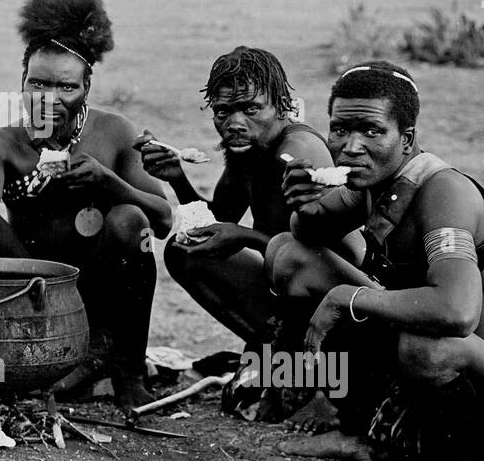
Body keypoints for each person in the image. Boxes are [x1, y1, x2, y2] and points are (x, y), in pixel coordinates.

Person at [265, 60, 484, 461]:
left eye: (372, 131)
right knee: (289, 256)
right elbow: (307, 234)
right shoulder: (371, 183)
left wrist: (348, 297)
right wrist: (303, 200)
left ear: (407, 139)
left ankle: (450, 459)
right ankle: (358, 427)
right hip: (421, 365)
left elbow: (456, 314)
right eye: (339, 131)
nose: (351, 147)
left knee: (426, 342)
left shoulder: (441, 191)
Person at [0, 0, 172, 410]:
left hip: (100, 290)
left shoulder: (115, 133)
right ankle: (4, 357)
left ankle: (126, 370)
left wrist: (109, 183)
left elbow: (161, 220)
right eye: (38, 85)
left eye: (65, 87)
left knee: (129, 220)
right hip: (36, 290)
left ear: (87, 86)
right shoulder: (2, 144)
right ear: (22, 83)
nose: (49, 99)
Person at [140, 46, 353, 362]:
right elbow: (218, 221)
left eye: (251, 109)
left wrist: (245, 236)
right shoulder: (249, 150)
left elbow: (335, 259)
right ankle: (276, 352)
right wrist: (177, 178)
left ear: (282, 106)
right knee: (186, 251)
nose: (235, 123)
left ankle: (296, 357)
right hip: (286, 287)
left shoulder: (297, 152)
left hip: (337, 302)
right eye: (224, 112)